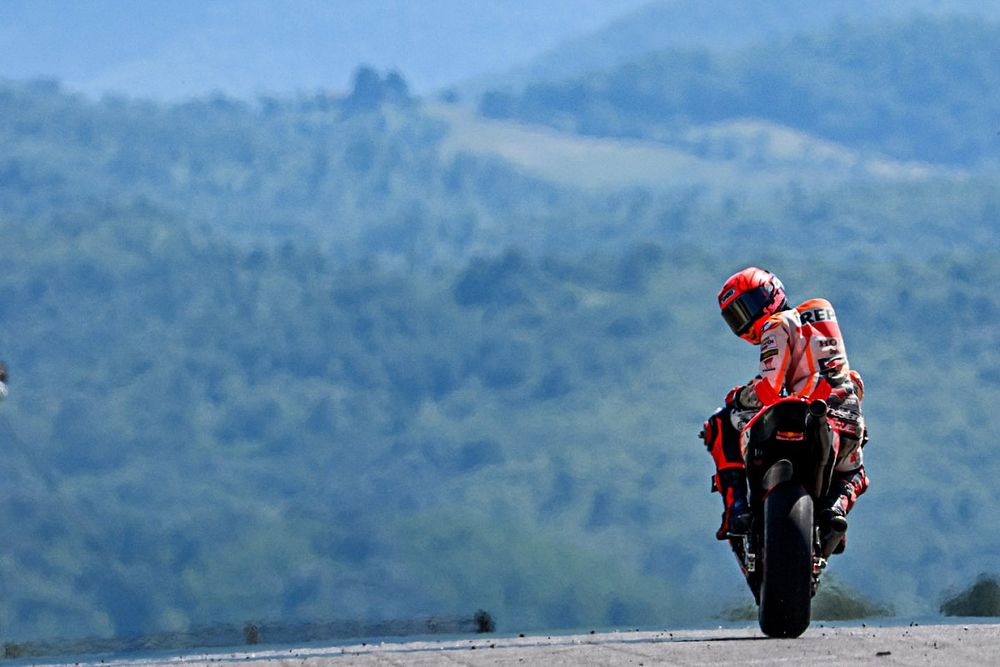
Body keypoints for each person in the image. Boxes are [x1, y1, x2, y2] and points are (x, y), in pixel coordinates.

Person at [701, 267, 868, 551]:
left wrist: (739, 397)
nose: (746, 321)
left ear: (770, 295)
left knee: (719, 423)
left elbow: (767, 389)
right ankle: (834, 510)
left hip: (807, 413)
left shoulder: (777, 324)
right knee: (856, 472)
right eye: (736, 317)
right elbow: (851, 381)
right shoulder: (821, 312)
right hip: (847, 416)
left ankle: (736, 508)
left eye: (748, 307)